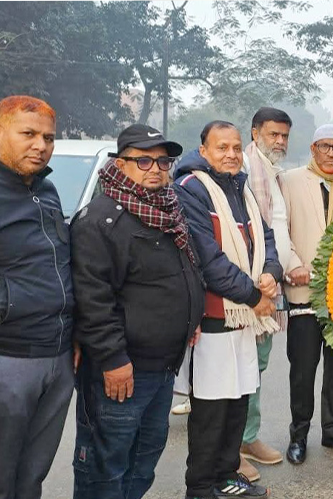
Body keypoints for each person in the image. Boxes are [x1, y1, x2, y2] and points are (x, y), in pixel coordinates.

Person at [71, 125, 203, 499]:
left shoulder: (167, 210)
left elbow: (185, 273)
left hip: (162, 367)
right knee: (105, 465)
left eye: (163, 160)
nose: (155, 168)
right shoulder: (101, 219)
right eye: (143, 159)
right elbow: (93, 299)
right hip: (122, 371)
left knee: (144, 460)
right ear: (120, 163)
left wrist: (189, 320)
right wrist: (112, 358)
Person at [175, 120, 282, 499]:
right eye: (222, 147)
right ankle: (201, 486)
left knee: (238, 401)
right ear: (203, 151)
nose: (232, 154)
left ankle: (225, 475)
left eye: (236, 147)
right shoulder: (191, 189)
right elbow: (208, 261)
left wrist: (270, 273)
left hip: (245, 320)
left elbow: (265, 239)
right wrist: (257, 298)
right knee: (211, 410)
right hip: (215, 317)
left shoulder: (241, 188)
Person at [0, 95, 76, 499]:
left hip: (58, 355)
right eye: (27, 133)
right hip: (9, 357)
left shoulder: (46, 190)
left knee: (33, 473)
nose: (40, 145)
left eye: (48, 137)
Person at [280, 124, 333, 464]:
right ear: (314, 148)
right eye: (325, 147)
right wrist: (294, 264)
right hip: (304, 290)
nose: (332, 153)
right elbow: (279, 229)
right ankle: (298, 434)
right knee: (302, 370)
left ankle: (332, 433)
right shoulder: (291, 181)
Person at [239, 107, 293, 480]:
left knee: (256, 366)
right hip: (246, 292)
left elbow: (276, 231)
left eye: (284, 136)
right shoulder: (244, 170)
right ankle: (232, 445)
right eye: (273, 134)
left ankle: (247, 437)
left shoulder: (274, 174)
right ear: (255, 133)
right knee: (237, 372)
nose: (279, 142)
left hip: (273, 284)